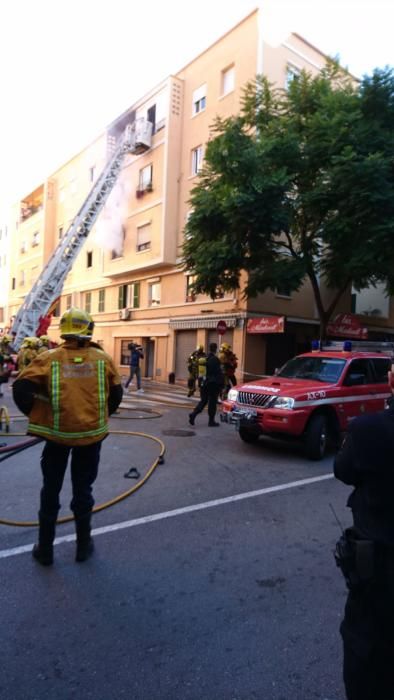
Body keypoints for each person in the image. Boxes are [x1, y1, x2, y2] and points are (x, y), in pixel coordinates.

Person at [12, 308, 123, 566]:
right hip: (91, 438)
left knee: (50, 490)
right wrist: (101, 415)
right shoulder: (102, 359)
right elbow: (116, 395)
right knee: (83, 491)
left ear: (64, 331)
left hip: (57, 438)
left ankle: (45, 551)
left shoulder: (48, 358)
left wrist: (39, 414)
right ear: (88, 330)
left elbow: (21, 388)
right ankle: (83, 547)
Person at [333, 363, 394, 699]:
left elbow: (342, 470)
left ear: (390, 380)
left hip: (379, 584)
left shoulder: (370, 430)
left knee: (367, 670)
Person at [189, 342, 224, 427]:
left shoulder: (205, 358)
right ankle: (211, 421)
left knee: (203, 401)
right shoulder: (215, 359)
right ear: (215, 349)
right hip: (212, 384)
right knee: (212, 402)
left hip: (203, 383)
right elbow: (218, 373)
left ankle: (193, 414)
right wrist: (221, 384)